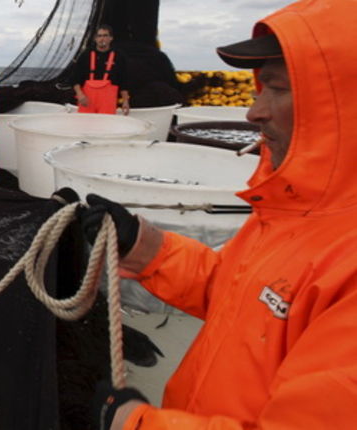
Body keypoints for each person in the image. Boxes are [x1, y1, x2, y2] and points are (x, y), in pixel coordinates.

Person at [80, 1, 357, 428]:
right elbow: (232, 293)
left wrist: (136, 423)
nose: (254, 112)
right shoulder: (292, 214)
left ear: (342, 102)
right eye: (260, 88)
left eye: (278, 89)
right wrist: (144, 246)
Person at [71, 24, 130, 115]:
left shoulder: (119, 56)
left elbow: (124, 81)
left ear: (111, 38)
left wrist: (125, 101)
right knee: (84, 122)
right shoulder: (86, 55)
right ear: (95, 38)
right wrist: (80, 94)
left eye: (105, 35)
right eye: (99, 36)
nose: (102, 39)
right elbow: (75, 78)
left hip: (107, 101)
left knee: (106, 123)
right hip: (87, 100)